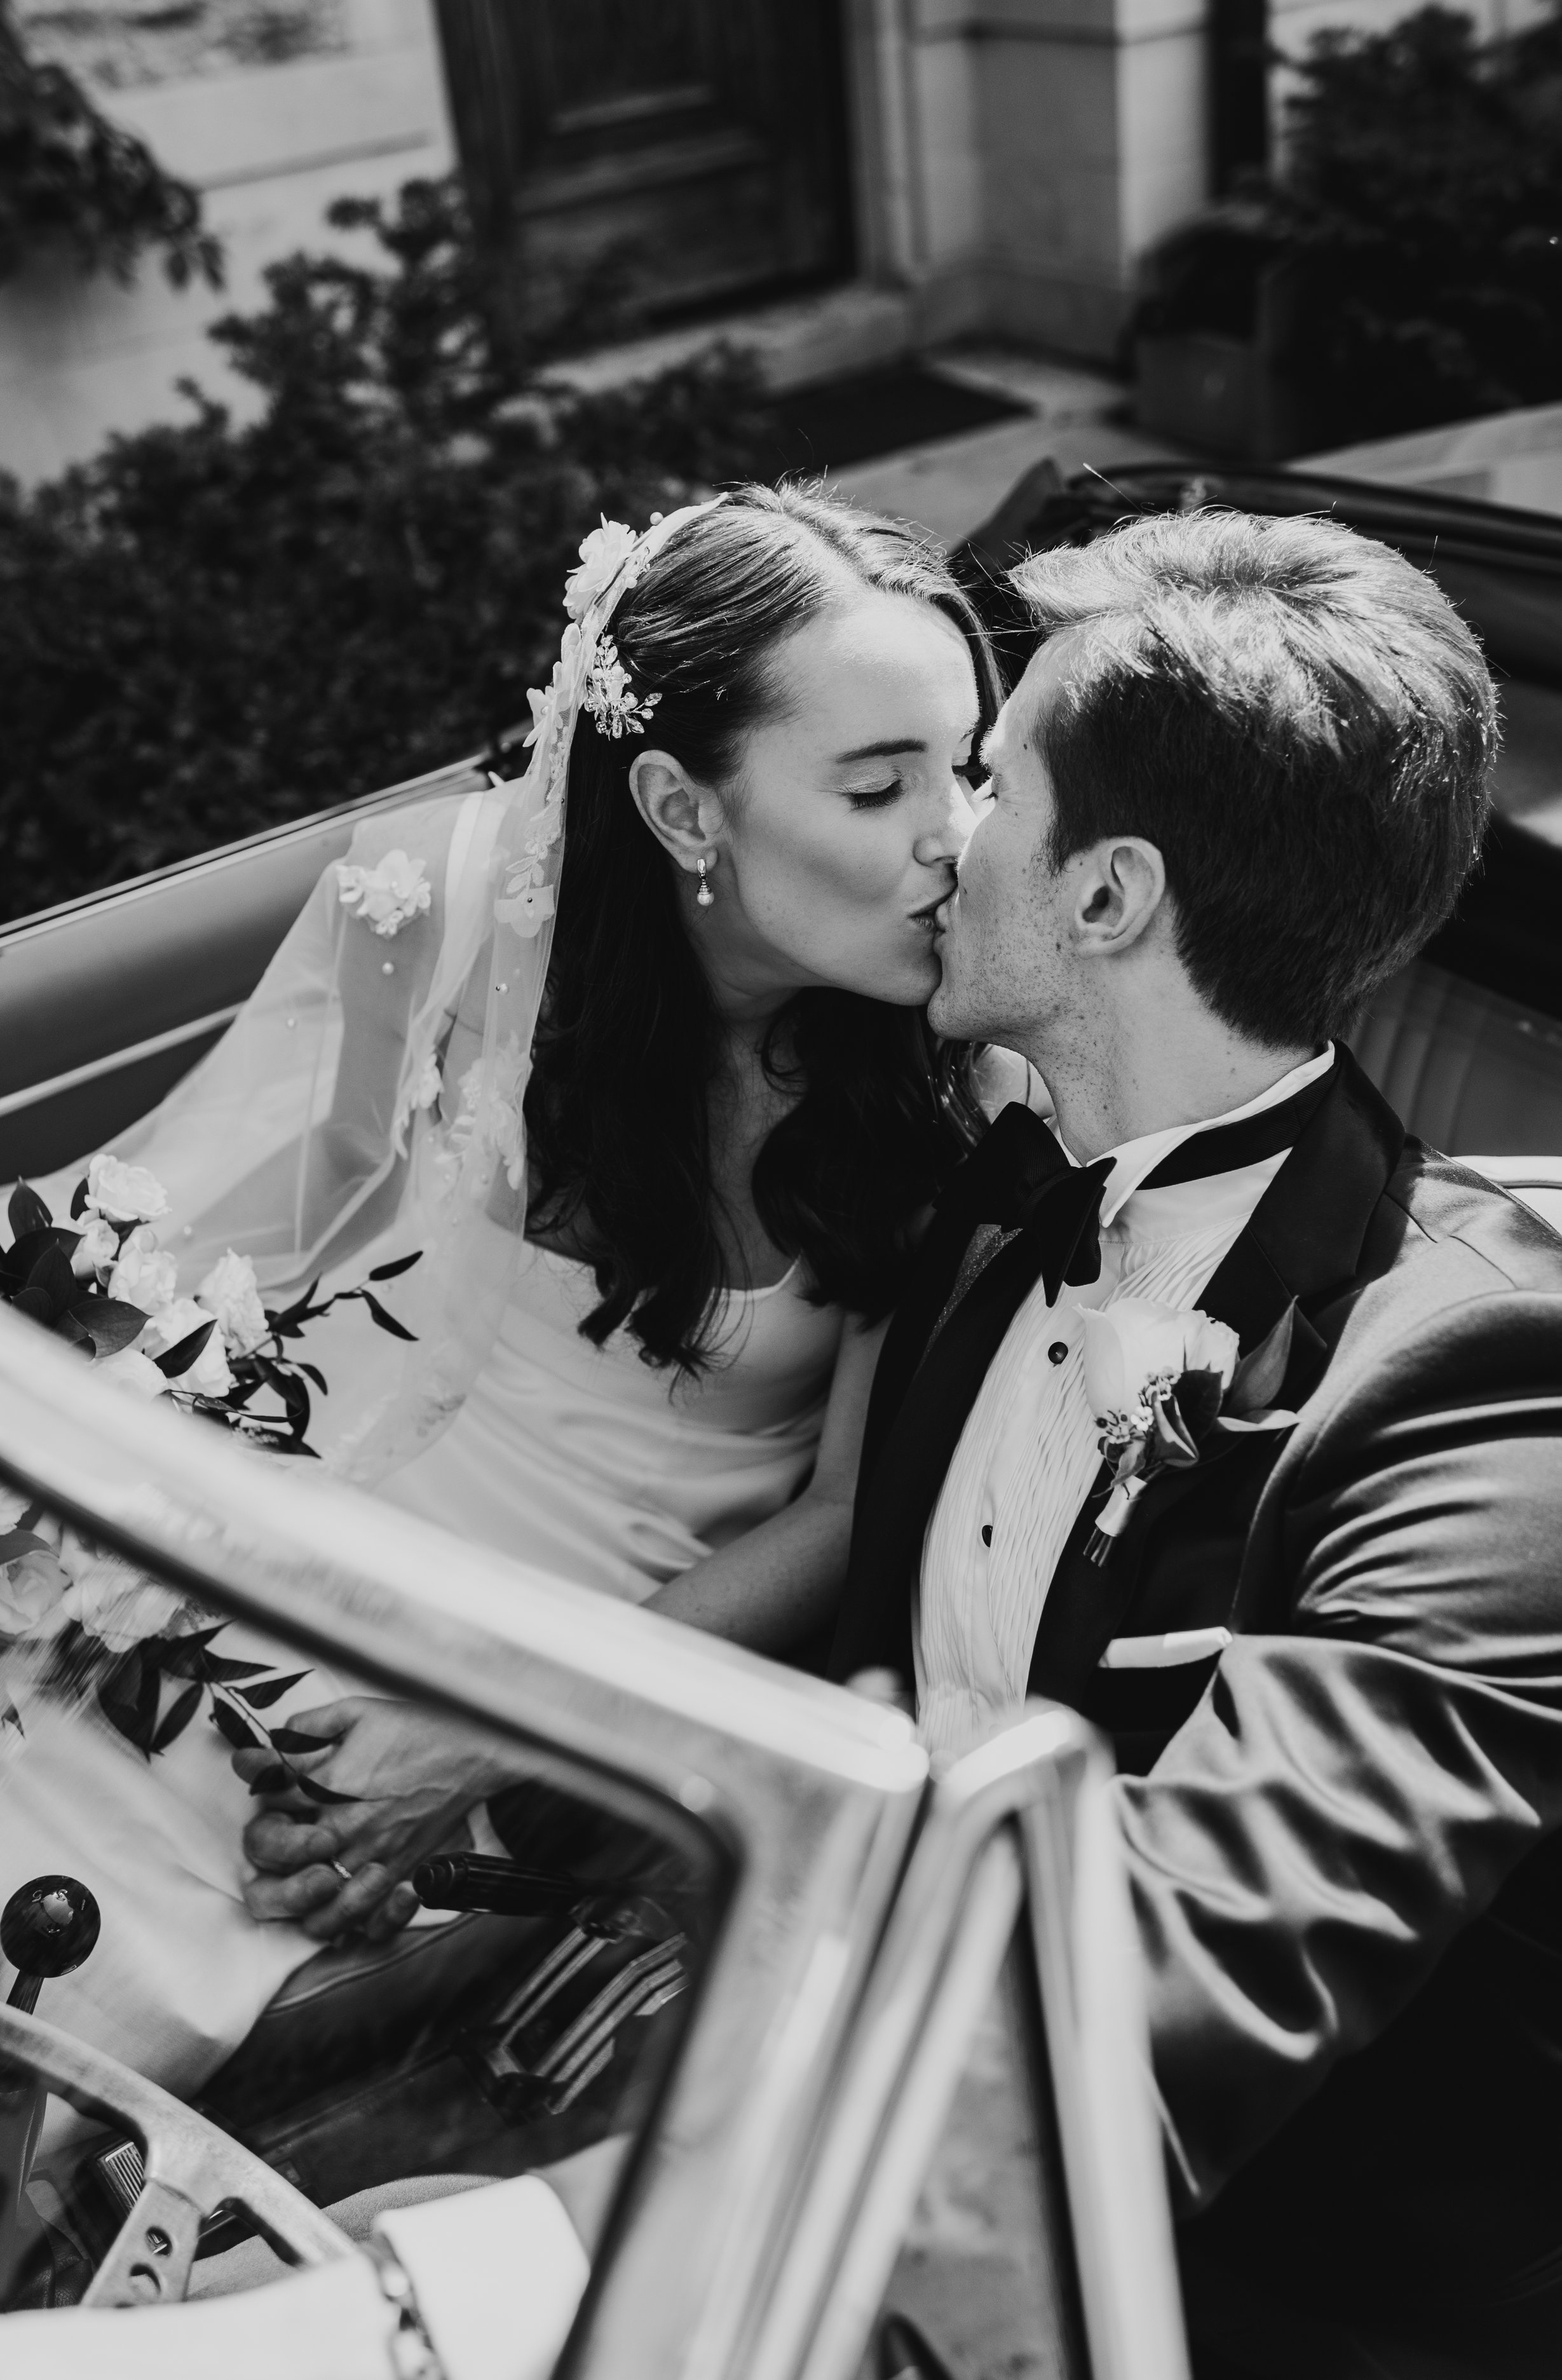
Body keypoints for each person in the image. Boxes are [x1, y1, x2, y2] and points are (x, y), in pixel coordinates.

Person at [2, 484, 999, 2091]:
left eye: (969, 768)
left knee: (109, 2002)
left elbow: (843, 1517)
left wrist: (480, 1736)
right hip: (240, 1556)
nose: (953, 837)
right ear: (682, 809)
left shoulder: (962, 1080)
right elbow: (230, 1264)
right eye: (882, 786)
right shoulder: (440, 910)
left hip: (545, 1673)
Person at [826, 508, 1562, 2378]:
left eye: (989, 783)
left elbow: (1175, 1977)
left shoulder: (1487, 1391)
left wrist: (500, 2275)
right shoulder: (1006, 1190)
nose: (941, 834)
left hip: (1269, 2295)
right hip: (887, 2060)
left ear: (1104, 900)